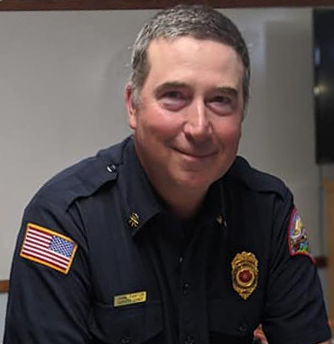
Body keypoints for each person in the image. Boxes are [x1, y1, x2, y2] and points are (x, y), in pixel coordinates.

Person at [3, 5, 332, 344]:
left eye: (221, 100)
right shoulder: (64, 220)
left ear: (242, 111)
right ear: (133, 105)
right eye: (174, 96)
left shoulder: (268, 211)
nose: (199, 127)